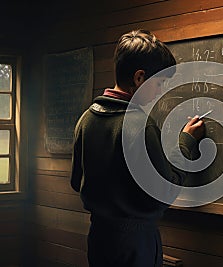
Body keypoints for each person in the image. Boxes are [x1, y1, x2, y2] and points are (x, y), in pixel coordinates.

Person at [70, 29, 204, 267]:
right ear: (139, 78)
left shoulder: (86, 119)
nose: (161, 91)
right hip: (134, 243)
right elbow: (163, 193)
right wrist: (187, 141)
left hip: (99, 239)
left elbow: (75, 181)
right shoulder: (139, 125)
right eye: (160, 83)